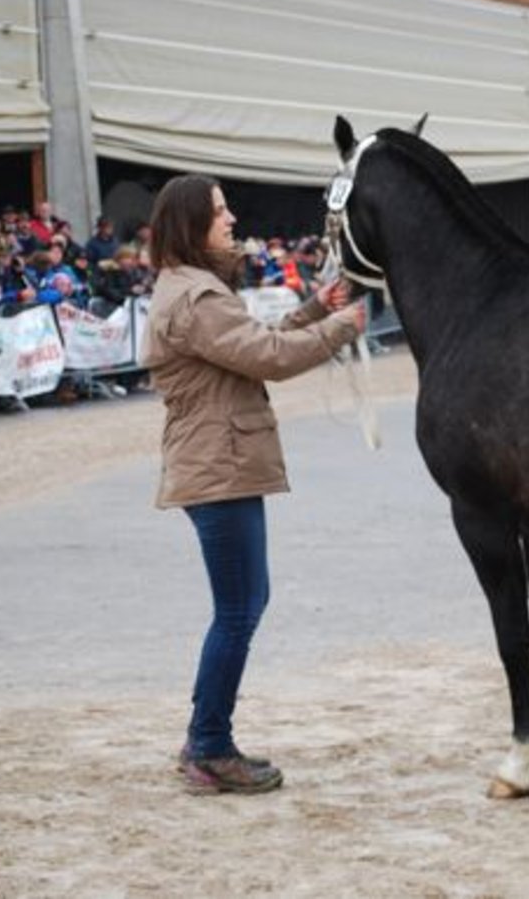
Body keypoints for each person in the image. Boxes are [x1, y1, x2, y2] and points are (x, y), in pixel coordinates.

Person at [141, 174, 366, 795]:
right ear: (193, 224)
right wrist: (342, 325)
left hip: (218, 462)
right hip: (220, 466)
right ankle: (210, 746)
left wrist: (317, 309)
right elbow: (270, 359)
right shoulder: (199, 298)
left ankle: (203, 734)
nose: (231, 218)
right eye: (218, 212)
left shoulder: (191, 290)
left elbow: (254, 345)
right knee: (238, 611)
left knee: (241, 607)